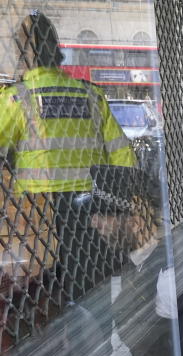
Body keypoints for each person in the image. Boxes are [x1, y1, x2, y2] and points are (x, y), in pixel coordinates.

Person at [0, 10, 135, 301]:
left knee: (44, 304)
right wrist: (118, 212)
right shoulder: (90, 95)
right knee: (92, 297)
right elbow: (123, 157)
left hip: (37, 218)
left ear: (24, 54)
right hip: (89, 214)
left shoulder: (16, 98)